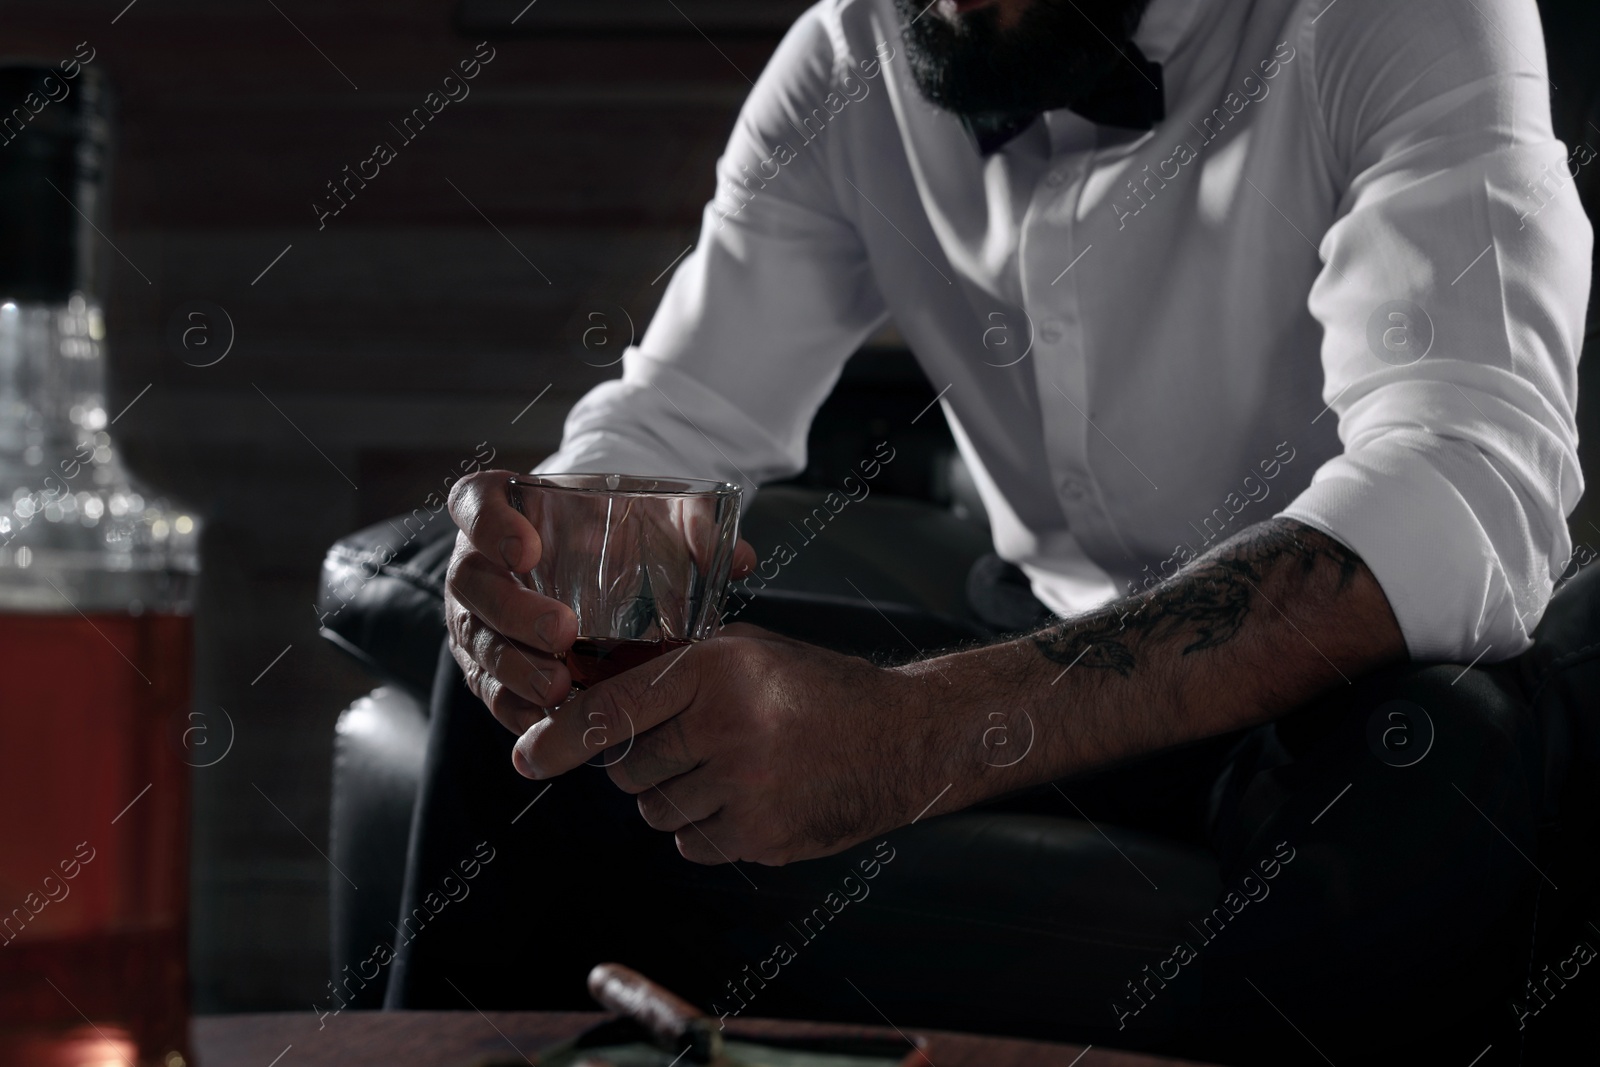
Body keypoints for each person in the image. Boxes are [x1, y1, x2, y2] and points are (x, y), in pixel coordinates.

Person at [397, 0, 1594, 1062]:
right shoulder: (851, 47)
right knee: (550, 696)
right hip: (1021, 624)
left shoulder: (1398, 15)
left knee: (1442, 753)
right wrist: (556, 564)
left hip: (1315, 703)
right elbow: (684, 409)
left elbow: (1465, 479)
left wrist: (917, 732)